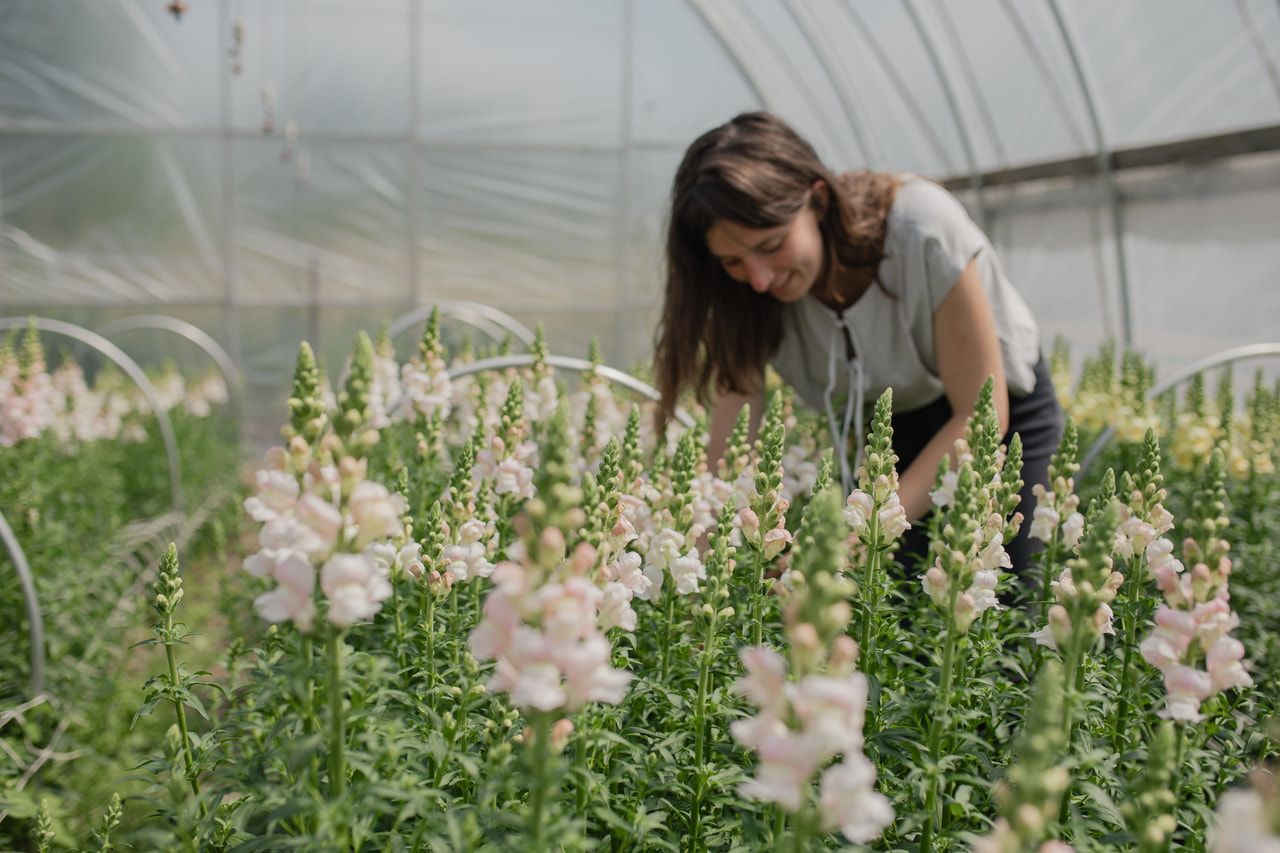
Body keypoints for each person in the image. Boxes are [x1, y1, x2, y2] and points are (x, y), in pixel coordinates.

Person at [652, 111, 1063, 586]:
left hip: (999, 421)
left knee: (1014, 595)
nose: (760, 278)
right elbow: (730, 451)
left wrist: (863, 537)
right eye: (732, 260)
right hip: (893, 426)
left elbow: (979, 412)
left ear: (819, 201)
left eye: (772, 243)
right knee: (896, 600)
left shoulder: (922, 229)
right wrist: (699, 562)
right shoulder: (741, 297)